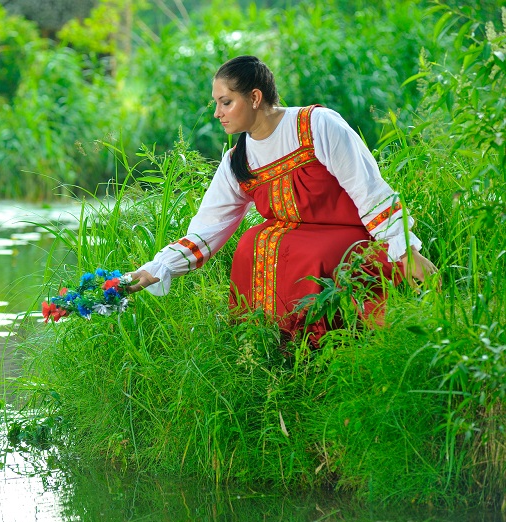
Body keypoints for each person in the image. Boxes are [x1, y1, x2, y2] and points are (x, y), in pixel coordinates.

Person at [127, 55, 438, 339]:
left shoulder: (316, 126)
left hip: (352, 235)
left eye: (225, 102)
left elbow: (368, 189)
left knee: (305, 250)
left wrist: (404, 250)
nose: (216, 113)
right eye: (216, 103)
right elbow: (208, 227)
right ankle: (265, 343)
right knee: (254, 240)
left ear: (255, 97)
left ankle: (320, 341)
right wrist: (157, 268)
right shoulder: (238, 159)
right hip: (298, 239)